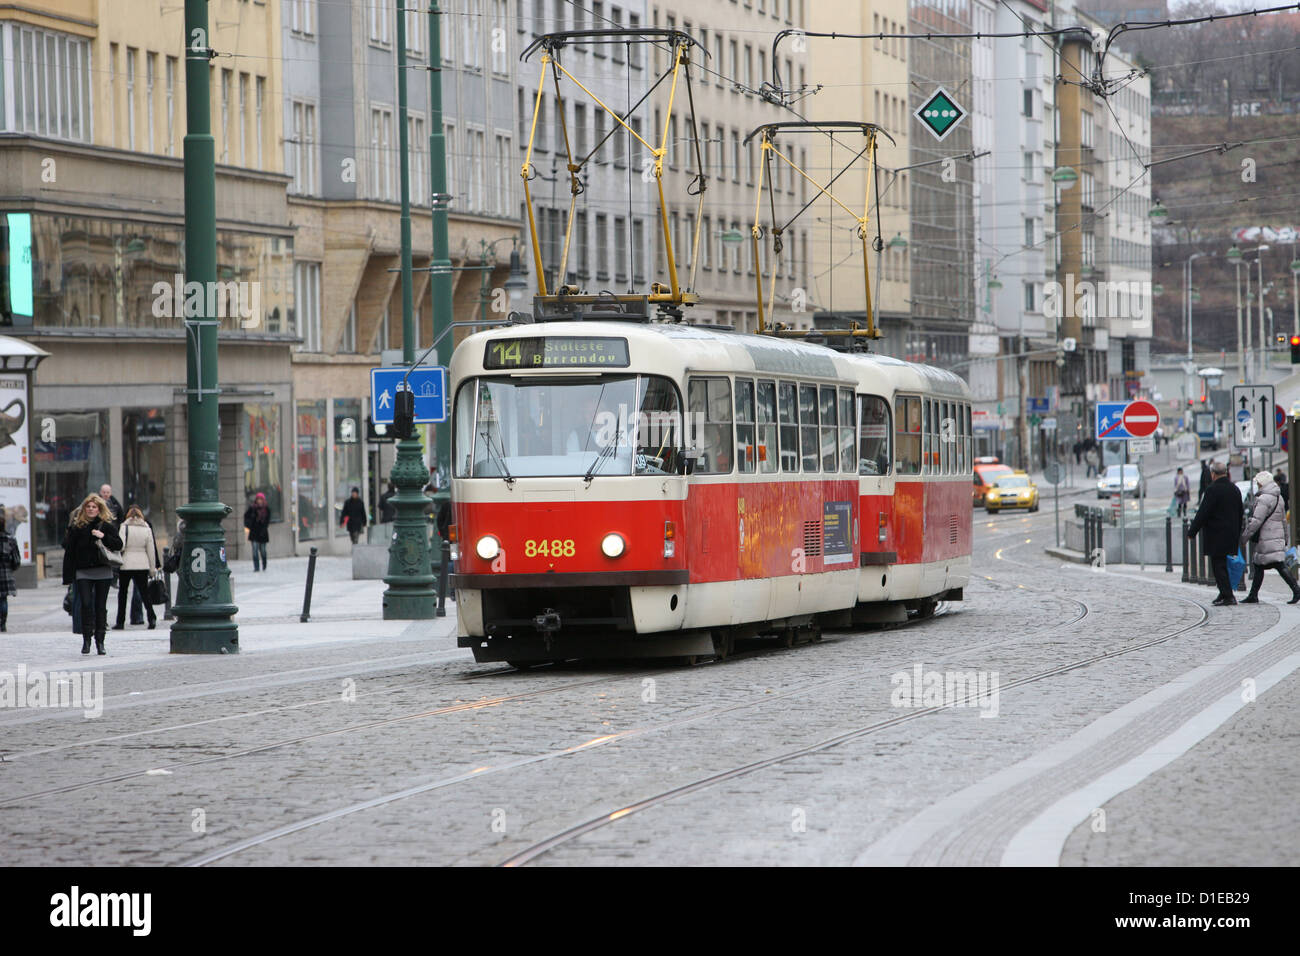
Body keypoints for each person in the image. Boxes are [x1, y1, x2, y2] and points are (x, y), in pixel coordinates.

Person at [62, 494, 123, 654]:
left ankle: (100, 642)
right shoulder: (77, 527)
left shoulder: (106, 526)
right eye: (88, 507)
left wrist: (104, 537)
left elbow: (119, 545)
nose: (90, 509)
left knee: (100, 607)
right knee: (86, 605)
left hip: (103, 570)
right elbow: (69, 552)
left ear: (99, 509)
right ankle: (86, 640)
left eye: (94, 507)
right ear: (84, 509)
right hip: (83, 571)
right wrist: (68, 576)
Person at [1187, 461, 1245, 606]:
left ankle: (1228, 596)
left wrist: (1192, 531)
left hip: (1217, 534)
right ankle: (1223, 592)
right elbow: (1240, 512)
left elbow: (1203, 512)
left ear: (1213, 474)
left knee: (1218, 566)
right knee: (1223, 565)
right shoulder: (1234, 489)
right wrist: (1237, 532)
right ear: (1226, 472)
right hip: (1231, 533)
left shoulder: (1212, 490)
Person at [1239, 470, 1300, 604]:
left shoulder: (1264, 498)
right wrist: (1285, 537)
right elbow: (1283, 520)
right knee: (1260, 565)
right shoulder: (1279, 497)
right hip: (1275, 537)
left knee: (1277, 565)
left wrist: (1244, 538)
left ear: (1262, 483)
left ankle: (1296, 590)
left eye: (1258, 483)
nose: (1258, 486)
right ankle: (1253, 595)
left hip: (1267, 538)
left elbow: (1256, 521)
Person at [115, 505, 159, 630]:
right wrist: (152, 568)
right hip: (142, 563)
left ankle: (120, 621)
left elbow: (121, 546)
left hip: (126, 563)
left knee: (122, 593)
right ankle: (152, 617)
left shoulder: (124, 527)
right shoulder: (146, 528)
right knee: (145, 593)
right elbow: (151, 550)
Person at [244, 492, 271, 571]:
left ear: (263, 500)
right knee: (255, 551)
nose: (259, 501)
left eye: (260, 499)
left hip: (263, 533)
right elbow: (246, 516)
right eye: (258, 499)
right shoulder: (252, 508)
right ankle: (256, 567)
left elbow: (267, 521)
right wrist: (249, 525)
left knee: (263, 551)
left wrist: (264, 528)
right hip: (254, 532)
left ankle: (264, 564)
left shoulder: (266, 509)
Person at [0, 517, 19, 632]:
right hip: (6, 572)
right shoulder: (10, 539)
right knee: (3, 599)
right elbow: (16, 559)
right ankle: (3, 623)